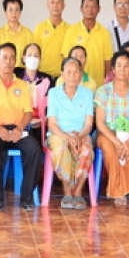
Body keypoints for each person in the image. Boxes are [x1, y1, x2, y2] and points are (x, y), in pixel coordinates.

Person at [0, 43, 43, 212]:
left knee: (34, 150)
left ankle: (27, 197)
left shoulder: (22, 85)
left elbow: (28, 112)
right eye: (4, 58)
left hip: (19, 129)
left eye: (12, 58)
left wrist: (19, 128)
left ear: (16, 61)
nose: (8, 62)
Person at [94, 50, 129, 208]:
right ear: (112, 69)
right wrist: (117, 142)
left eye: (126, 66)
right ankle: (119, 190)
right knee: (110, 149)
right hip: (108, 134)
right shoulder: (103, 91)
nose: (122, 69)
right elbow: (100, 123)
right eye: (119, 65)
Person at [46, 57, 94, 210]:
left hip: (80, 134)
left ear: (81, 74)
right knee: (61, 148)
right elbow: (52, 123)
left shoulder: (87, 94)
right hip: (59, 134)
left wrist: (78, 137)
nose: (72, 76)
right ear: (62, 74)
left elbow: (88, 124)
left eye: (76, 72)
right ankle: (67, 189)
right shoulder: (53, 93)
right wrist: (67, 138)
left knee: (86, 149)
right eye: (69, 72)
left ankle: (79, 190)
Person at [60, 0, 113, 85]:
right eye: (86, 6)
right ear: (81, 9)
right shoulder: (72, 31)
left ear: (99, 9)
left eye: (93, 6)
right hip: (76, 83)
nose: (90, 10)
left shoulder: (104, 33)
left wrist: (106, 82)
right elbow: (65, 58)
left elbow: (107, 60)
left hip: (98, 83)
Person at [0, 0, 34, 74]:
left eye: (17, 10)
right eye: (10, 10)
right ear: (5, 12)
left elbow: (31, 58)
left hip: (22, 74)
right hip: (3, 74)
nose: (14, 13)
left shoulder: (28, 33)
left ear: (20, 12)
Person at [33, 0, 69, 80]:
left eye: (58, 2)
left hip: (63, 77)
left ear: (63, 6)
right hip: (42, 76)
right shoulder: (39, 28)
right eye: (52, 2)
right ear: (47, 5)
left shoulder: (70, 30)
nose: (55, 5)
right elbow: (34, 53)